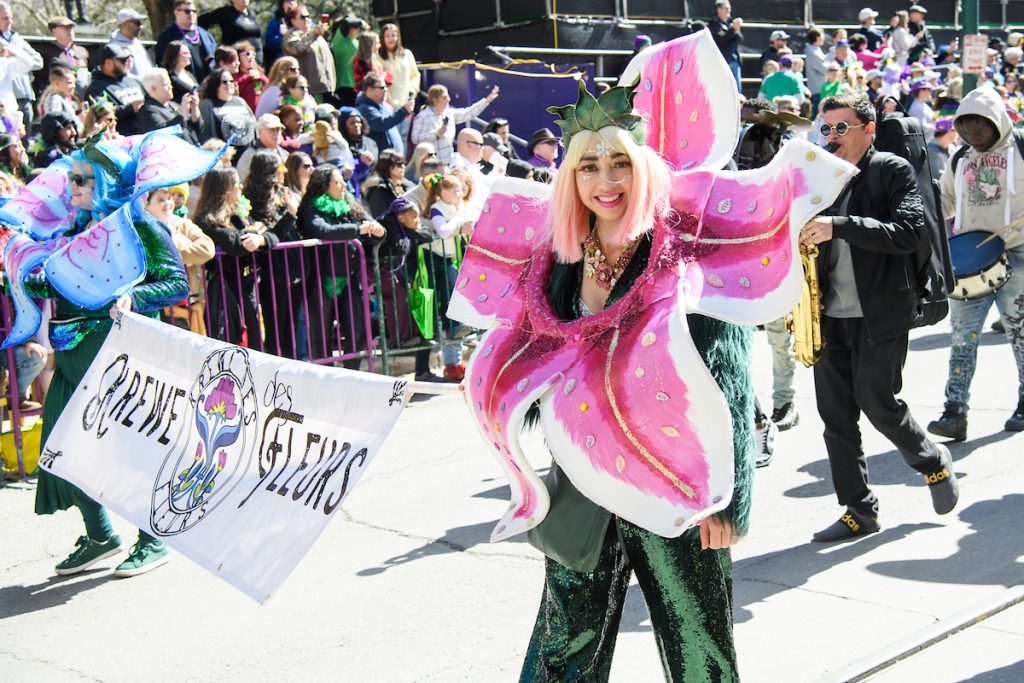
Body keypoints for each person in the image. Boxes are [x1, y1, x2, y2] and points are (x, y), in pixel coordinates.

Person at [9, 133, 206, 578]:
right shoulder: (68, 233)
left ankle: (153, 540)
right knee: (63, 448)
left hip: (120, 359)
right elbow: (50, 286)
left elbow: (174, 283)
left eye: (81, 179)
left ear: (105, 181)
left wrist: (134, 297)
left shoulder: (140, 227)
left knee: (128, 450)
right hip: (73, 355)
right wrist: (23, 271)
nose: (72, 187)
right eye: (71, 179)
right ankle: (99, 536)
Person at [801, 94, 958, 542]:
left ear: (868, 130)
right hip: (829, 314)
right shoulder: (820, 176)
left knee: (879, 403)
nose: (831, 137)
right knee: (835, 417)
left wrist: (840, 224)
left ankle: (931, 461)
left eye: (841, 128)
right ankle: (858, 511)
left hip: (881, 312)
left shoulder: (890, 169)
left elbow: (911, 232)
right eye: (825, 128)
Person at [928, 87, 1024, 440]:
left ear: (997, 122)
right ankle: (955, 412)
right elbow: (946, 202)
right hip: (969, 258)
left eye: (979, 130)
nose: (972, 136)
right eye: (966, 131)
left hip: (1018, 253)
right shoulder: (960, 158)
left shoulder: (1021, 148)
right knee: (961, 338)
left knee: (1020, 334)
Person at [296, 164, 385, 367]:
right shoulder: (311, 208)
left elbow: (371, 225)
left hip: (349, 276)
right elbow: (323, 230)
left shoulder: (349, 204)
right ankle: (326, 378)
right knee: (321, 334)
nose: (344, 185)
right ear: (324, 186)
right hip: (320, 278)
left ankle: (351, 375)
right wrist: (358, 229)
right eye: (338, 181)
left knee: (357, 330)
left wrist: (378, 231)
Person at [195, 165, 280, 348]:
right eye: (237, 185)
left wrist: (260, 239)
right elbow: (236, 244)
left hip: (247, 285)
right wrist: (254, 232)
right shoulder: (206, 219)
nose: (241, 188)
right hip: (225, 287)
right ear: (226, 189)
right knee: (229, 342)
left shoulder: (236, 214)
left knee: (255, 340)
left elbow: (270, 234)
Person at [243, 150, 304, 359]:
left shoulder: (280, 192)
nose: (284, 171)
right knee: (275, 327)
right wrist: (291, 214)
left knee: (290, 327)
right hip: (272, 272)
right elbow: (271, 236)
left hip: (291, 267)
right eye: (279, 167)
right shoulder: (253, 199)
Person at [144, 185, 214, 336]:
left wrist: (175, 242)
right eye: (161, 200)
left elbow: (207, 249)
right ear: (147, 205)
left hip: (185, 305)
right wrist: (184, 243)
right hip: (157, 305)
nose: (167, 203)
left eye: (169, 198)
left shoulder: (182, 224)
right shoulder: (142, 229)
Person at [409, 84, 499, 165]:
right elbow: (415, 138)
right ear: (434, 99)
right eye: (444, 97)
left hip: (448, 163)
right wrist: (436, 134)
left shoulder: (449, 113)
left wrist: (487, 101)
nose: (448, 99)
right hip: (431, 165)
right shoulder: (423, 116)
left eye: (448, 97)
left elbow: (468, 113)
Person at [0, 3, 43, 133]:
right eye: (5, 18)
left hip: (23, 96)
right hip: (5, 102)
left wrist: (14, 54)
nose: (9, 22)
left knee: (22, 140)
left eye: (10, 18)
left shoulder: (17, 40)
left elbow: (36, 62)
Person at [84, 44, 144, 136]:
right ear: (108, 63)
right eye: (122, 60)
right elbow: (99, 113)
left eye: (127, 59)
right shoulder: (96, 88)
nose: (126, 63)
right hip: (121, 138)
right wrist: (130, 108)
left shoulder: (133, 81)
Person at [155, 1, 217, 84]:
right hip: (184, 88)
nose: (191, 14)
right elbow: (163, 65)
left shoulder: (206, 35)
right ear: (176, 12)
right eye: (187, 11)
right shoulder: (166, 37)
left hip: (209, 87)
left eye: (194, 11)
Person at [283, 5, 336, 100]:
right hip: (309, 91)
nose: (307, 19)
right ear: (293, 20)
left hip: (326, 87)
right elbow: (296, 49)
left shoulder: (314, 34)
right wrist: (313, 34)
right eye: (303, 17)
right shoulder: (291, 36)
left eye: (308, 16)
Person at [198, 66, 257, 148]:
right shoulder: (207, 104)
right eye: (225, 82)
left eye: (231, 81)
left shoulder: (240, 101)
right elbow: (204, 133)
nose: (229, 84)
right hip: (224, 156)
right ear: (216, 84)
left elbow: (253, 126)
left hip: (246, 154)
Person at [356, 73, 413, 156]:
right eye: (382, 87)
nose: (386, 90)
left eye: (386, 86)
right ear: (369, 90)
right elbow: (381, 124)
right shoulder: (365, 109)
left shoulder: (384, 106)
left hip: (393, 159)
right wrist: (404, 111)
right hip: (381, 161)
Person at [379, 23, 419, 134]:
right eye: (387, 36)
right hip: (389, 106)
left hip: (406, 103)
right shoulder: (378, 57)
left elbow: (415, 75)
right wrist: (390, 101)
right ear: (382, 38)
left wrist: (412, 93)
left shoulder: (407, 54)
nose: (391, 38)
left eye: (394, 35)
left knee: (405, 136)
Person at [199, 0, 263, 65]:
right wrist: (209, 44)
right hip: (236, 64)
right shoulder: (226, 13)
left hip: (256, 62)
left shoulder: (251, 13)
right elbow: (202, 21)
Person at [37, 16, 87, 95]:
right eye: (66, 28)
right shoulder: (48, 53)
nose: (70, 31)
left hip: (80, 97)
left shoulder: (81, 51)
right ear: (54, 31)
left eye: (71, 28)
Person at [237, 113, 288, 183]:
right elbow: (241, 181)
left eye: (278, 129)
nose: (276, 133)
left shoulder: (283, 153)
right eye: (272, 129)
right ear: (260, 131)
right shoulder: (250, 155)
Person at [339, 106, 377, 198]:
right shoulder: (342, 146)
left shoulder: (371, 143)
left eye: (358, 122)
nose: (356, 125)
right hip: (353, 190)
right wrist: (363, 164)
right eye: (352, 123)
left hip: (372, 190)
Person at [364, 149, 413, 218]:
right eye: (399, 164)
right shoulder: (379, 190)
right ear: (388, 166)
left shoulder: (406, 186)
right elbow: (381, 217)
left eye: (404, 164)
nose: (403, 167)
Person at [330, 14, 366, 106]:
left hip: (358, 86)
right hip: (344, 86)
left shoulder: (356, 42)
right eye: (355, 26)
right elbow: (347, 22)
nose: (358, 28)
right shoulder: (340, 40)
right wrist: (361, 21)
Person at [108, 9, 153, 77]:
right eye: (137, 23)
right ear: (125, 24)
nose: (141, 26)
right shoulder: (115, 47)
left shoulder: (136, 43)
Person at [709, 0, 742, 89]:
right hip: (722, 61)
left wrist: (737, 30)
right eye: (726, 8)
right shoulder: (713, 24)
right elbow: (721, 40)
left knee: (737, 90)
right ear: (719, 9)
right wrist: (732, 29)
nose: (729, 11)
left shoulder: (730, 22)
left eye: (729, 8)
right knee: (724, 88)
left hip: (734, 60)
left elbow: (739, 39)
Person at [233, 40, 267, 112]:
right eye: (247, 54)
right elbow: (236, 88)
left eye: (253, 54)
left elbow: (268, 84)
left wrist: (260, 77)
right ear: (238, 57)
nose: (251, 57)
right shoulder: (234, 75)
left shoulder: (259, 73)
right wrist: (248, 77)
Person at [263, 0, 298, 69]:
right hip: (281, 61)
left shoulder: (301, 19)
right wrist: (283, 36)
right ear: (282, 4)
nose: (291, 3)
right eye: (288, 1)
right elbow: (269, 41)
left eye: (293, 0)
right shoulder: (275, 21)